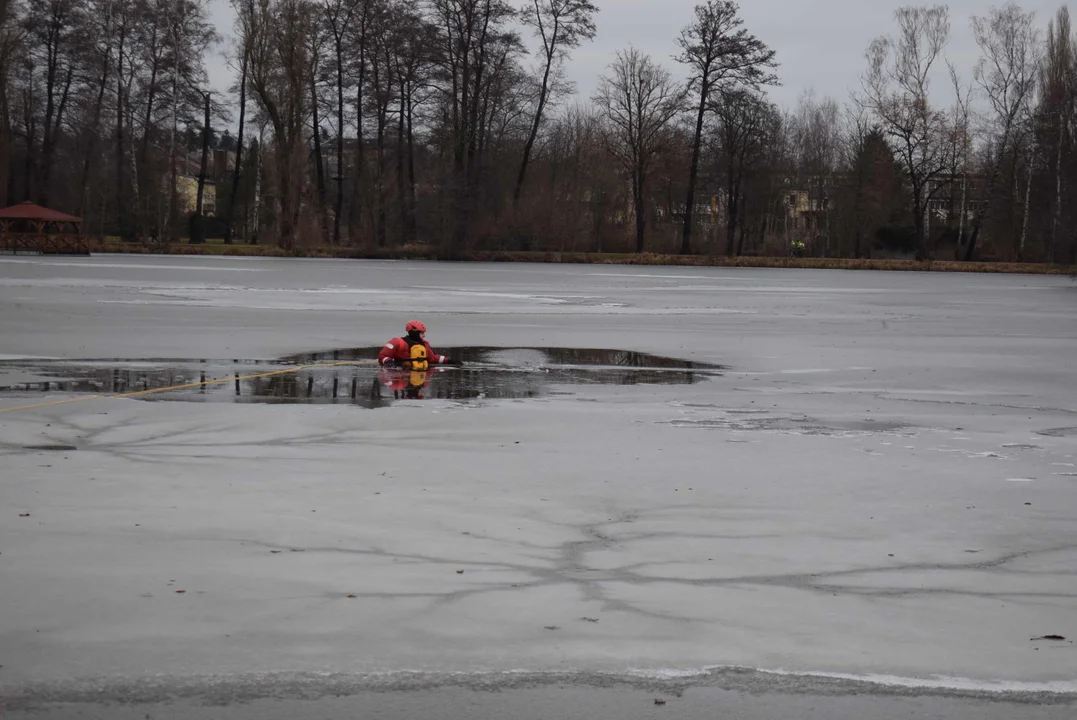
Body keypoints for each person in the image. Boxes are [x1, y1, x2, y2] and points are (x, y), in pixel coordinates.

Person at [378, 320, 462, 370]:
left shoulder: (424, 344)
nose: (424, 335)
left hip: (419, 372)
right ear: (414, 332)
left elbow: (433, 358)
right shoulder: (397, 342)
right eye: (422, 333)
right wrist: (389, 362)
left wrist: (450, 361)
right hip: (402, 371)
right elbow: (383, 356)